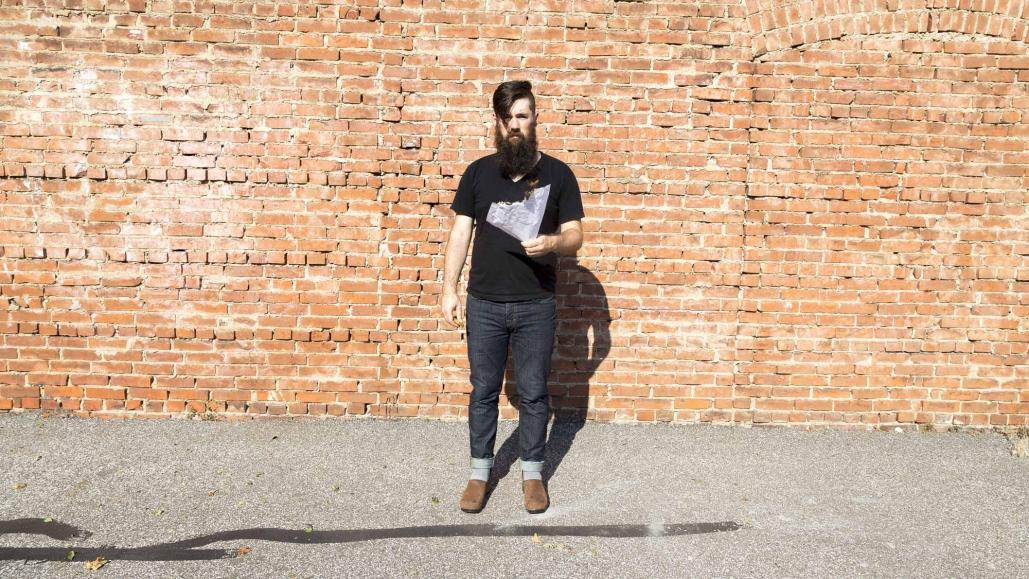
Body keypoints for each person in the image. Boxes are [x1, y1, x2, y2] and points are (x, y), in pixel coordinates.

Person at [440, 80, 585, 514]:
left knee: (535, 393)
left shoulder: (559, 174)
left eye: (522, 116)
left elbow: (577, 236)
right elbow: (460, 230)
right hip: (484, 302)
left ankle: (533, 473)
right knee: (483, 390)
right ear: (497, 124)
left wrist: (554, 244)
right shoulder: (479, 172)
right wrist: (449, 288)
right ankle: (479, 472)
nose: (514, 126)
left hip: (536, 304)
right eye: (507, 119)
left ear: (536, 117)